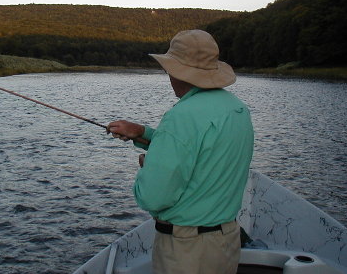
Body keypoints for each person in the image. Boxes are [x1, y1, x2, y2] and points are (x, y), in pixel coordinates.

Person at [107, 29, 254, 274]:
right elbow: (203, 152)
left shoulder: (181, 117)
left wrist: (149, 164)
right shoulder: (236, 109)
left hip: (188, 250)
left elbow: (153, 196)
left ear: (176, 71)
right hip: (226, 240)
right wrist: (142, 133)